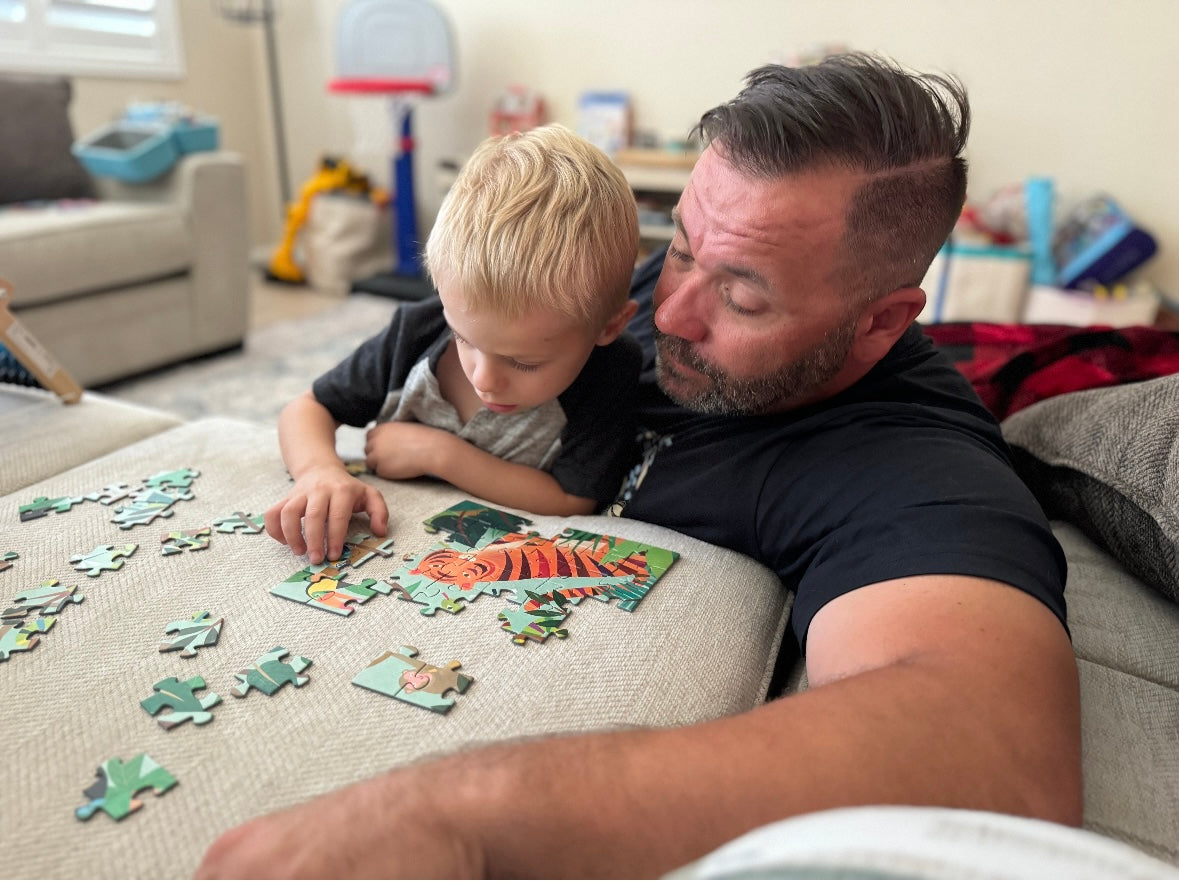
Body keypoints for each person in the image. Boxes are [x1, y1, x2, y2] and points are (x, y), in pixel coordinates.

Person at [199, 53, 1081, 878]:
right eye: (685, 247)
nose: (669, 312)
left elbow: (1000, 761)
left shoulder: (909, 468)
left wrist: (458, 815)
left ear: (880, 323)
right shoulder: (631, 294)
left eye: (740, 294)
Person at [265, 124, 641, 565]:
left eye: (523, 362)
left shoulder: (611, 370)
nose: (483, 378)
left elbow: (573, 499)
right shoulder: (416, 332)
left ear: (608, 327)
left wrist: (439, 454)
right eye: (463, 337)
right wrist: (319, 472)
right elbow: (307, 407)